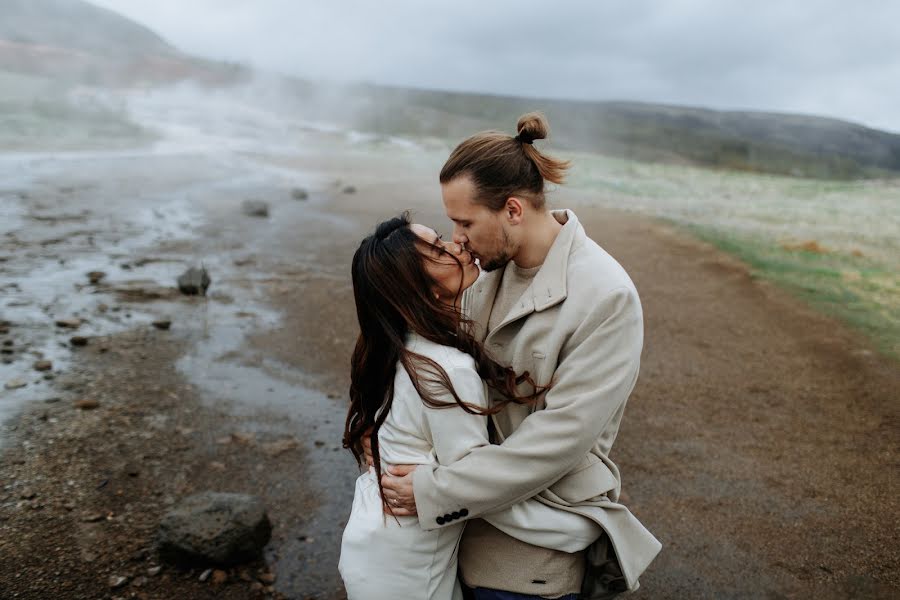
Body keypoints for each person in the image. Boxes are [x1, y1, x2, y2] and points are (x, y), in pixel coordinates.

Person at [377, 112, 661, 599]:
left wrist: (433, 491)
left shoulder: (607, 296)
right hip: (451, 531)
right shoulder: (483, 272)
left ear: (512, 210)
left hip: (532, 543)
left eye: (465, 221)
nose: (457, 237)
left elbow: (559, 441)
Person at [339, 214, 604, 600]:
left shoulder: (396, 351)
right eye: (437, 249)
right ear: (421, 289)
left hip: (372, 543)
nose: (456, 245)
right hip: (407, 569)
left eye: (442, 238)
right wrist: (569, 529)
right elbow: (472, 484)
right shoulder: (446, 369)